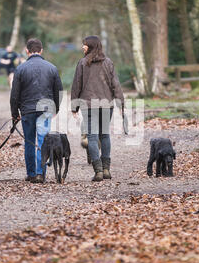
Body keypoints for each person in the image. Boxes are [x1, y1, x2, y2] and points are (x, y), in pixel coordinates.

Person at [71, 35, 124, 182]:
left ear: (91, 46)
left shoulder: (82, 63)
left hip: (88, 105)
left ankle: (98, 171)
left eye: (85, 45)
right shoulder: (108, 63)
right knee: (105, 135)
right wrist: (120, 103)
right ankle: (106, 169)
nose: (83, 47)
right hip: (107, 104)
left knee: (93, 137)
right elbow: (116, 85)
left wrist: (74, 106)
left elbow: (77, 85)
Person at [10, 38, 63, 183]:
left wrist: (15, 114)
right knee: (42, 142)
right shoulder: (51, 67)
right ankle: (41, 173)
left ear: (27, 51)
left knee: (29, 142)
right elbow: (59, 91)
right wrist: (56, 109)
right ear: (41, 50)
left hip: (27, 110)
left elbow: (14, 94)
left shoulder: (20, 69)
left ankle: (31, 173)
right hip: (45, 109)